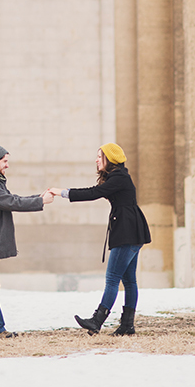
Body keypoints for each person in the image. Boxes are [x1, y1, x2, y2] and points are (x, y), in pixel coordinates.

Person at [48, 142, 151, 336]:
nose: (96, 160)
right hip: (132, 231)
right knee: (129, 281)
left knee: (113, 278)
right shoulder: (118, 177)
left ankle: (97, 320)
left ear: (110, 159)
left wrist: (61, 192)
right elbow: (97, 191)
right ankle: (127, 325)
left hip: (127, 232)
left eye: (99, 156)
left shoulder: (119, 178)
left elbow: (93, 193)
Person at [0, 144, 54, 341]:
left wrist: (37, 197)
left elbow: (9, 198)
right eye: (4, 161)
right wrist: (41, 202)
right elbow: (10, 203)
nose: (7, 165)